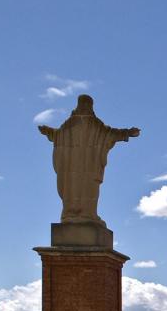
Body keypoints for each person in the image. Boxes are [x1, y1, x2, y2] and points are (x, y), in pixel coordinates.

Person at [38, 94, 139, 226]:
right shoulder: (73, 125)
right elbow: (59, 135)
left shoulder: (86, 125)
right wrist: (49, 131)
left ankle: (87, 214)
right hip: (73, 168)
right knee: (72, 189)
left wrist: (127, 133)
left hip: (88, 168)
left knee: (88, 190)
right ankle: (71, 214)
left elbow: (108, 133)